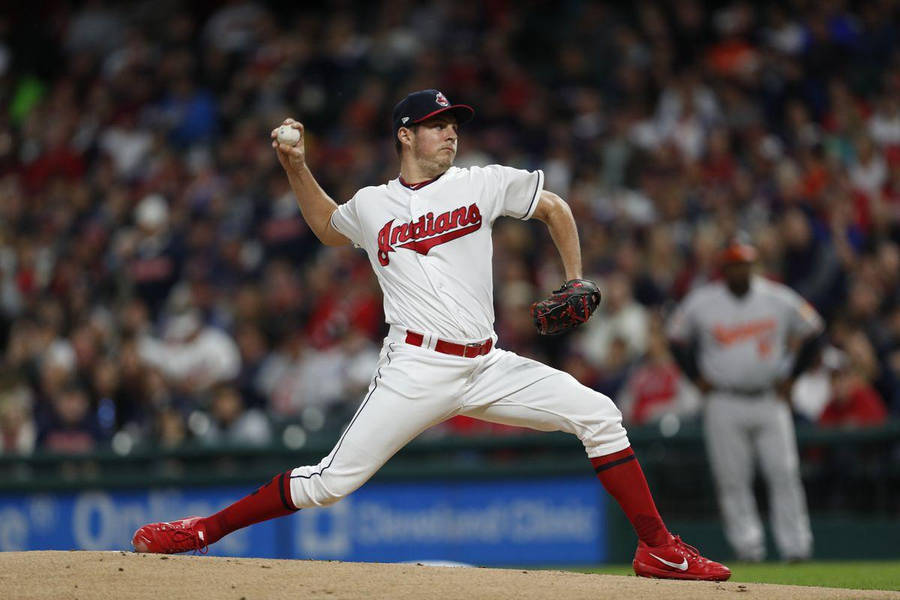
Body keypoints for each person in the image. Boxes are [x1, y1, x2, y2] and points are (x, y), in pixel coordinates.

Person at [132, 89, 730, 581]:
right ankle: (203, 529)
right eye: (435, 125)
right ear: (404, 135)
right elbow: (325, 226)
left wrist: (576, 276)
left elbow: (554, 207)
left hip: (488, 364)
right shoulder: (371, 206)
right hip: (415, 368)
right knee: (329, 483)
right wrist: (295, 165)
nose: (449, 134)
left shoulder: (481, 182)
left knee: (599, 414)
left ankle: (659, 548)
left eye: (452, 125)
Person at [667, 236, 824, 562]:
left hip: (770, 399)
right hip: (724, 401)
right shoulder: (702, 301)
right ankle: (747, 547)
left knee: (784, 474)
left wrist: (793, 377)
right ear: (724, 268)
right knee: (732, 479)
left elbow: (814, 330)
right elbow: (675, 339)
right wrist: (695, 377)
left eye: (745, 263)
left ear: (754, 265)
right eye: (735, 264)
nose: (741, 270)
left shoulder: (777, 297)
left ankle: (796, 548)